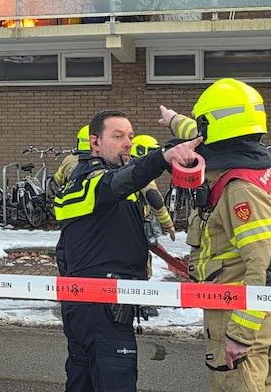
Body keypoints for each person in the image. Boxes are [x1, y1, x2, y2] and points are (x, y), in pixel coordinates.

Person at [53, 110, 202, 392]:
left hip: (87, 305)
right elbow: (120, 181)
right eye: (118, 136)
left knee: (81, 382)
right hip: (103, 308)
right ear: (94, 143)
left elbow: (65, 248)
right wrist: (161, 158)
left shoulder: (95, 179)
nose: (128, 143)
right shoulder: (91, 179)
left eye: (130, 137)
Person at [160, 78, 271, 392]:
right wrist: (173, 120)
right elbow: (202, 133)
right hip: (260, 316)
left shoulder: (239, 188)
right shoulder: (251, 155)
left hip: (239, 319)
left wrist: (238, 334)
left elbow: (266, 265)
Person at [132, 134, 177, 279]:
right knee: (141, 262)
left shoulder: (119, 168)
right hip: (136, 226)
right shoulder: (140, 172)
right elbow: (154, 199)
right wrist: (167, 224)